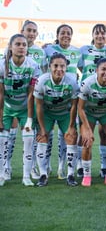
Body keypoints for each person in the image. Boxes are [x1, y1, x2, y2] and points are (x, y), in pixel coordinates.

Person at [4, 20, 45, 182]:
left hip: (29, 102)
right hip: (10, 102)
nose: (32, 34)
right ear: (22, 31)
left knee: (30, 136)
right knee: (9, 136)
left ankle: (32, 167)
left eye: (35, 31)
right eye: (29, 30)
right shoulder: (7, 56)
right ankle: (6, 167)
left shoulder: (41, 53)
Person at [34, 53, 79, 187]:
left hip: (64, 113)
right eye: (55, 66)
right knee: (42, 137)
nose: (59, 69)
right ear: (49, 67)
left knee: (71, 137)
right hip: (47, 113)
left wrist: (71, 126)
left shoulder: (71, 81)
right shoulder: (42, 81)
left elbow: (74, 105)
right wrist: (42, 128)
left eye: (63, 66)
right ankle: (43, 175)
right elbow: (39, 106)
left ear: (66, 67)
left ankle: (70, 175)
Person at [78, 24, 106, 179]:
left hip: (105, 98)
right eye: (97, 33)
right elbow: (81, 68)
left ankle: (103, 166)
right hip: (88, 98)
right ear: (92, 35)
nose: (100, 36)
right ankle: (81, 167)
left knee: (103, 134)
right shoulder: (83, 50)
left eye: (103, 34)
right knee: (85, 134)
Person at [78, 58, 106, 187]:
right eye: (103, 69)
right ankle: (87, 175)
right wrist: (86, 128)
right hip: (89, 113)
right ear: (96, 70)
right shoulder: (87, 83)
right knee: (87, 141)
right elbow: (80, 108)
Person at [44, 24, 82, 180]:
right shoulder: (48, 50)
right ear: (57, 35)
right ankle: (52, 166)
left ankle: (74, 165)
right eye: (62, 33)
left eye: (68, 33)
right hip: (52, 98)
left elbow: (84, 68)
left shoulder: (78, 52)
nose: (65, 35)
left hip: (72, 98)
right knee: (51, 134)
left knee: (70, 133)